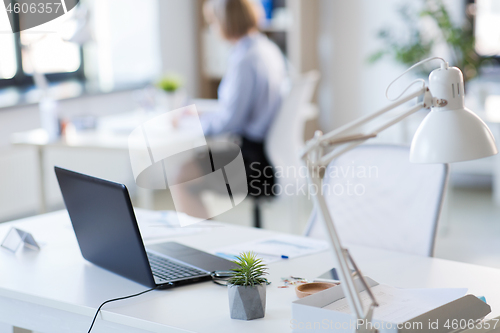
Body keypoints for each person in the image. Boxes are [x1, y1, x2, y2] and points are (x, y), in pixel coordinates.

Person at [174, 0, 287, 220]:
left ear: (225, 22)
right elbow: (237, 110)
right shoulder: (267, 48)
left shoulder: (245, 59)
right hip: (269, 155)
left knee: (182, 176)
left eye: (213, 22)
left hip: (254, 164)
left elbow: (229, 122)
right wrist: (206, 115)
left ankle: (205, 245)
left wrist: (193, 124)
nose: (212, 28)